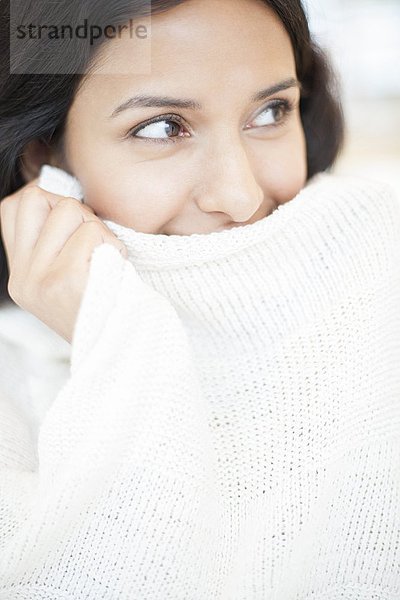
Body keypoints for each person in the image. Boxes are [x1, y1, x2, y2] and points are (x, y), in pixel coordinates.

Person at [1, 1, 399, 598]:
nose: (239, 196)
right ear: (45, 159)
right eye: (163, 127)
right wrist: (117, 345)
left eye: (271, 111)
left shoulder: (380, 271)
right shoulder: (14, 378)